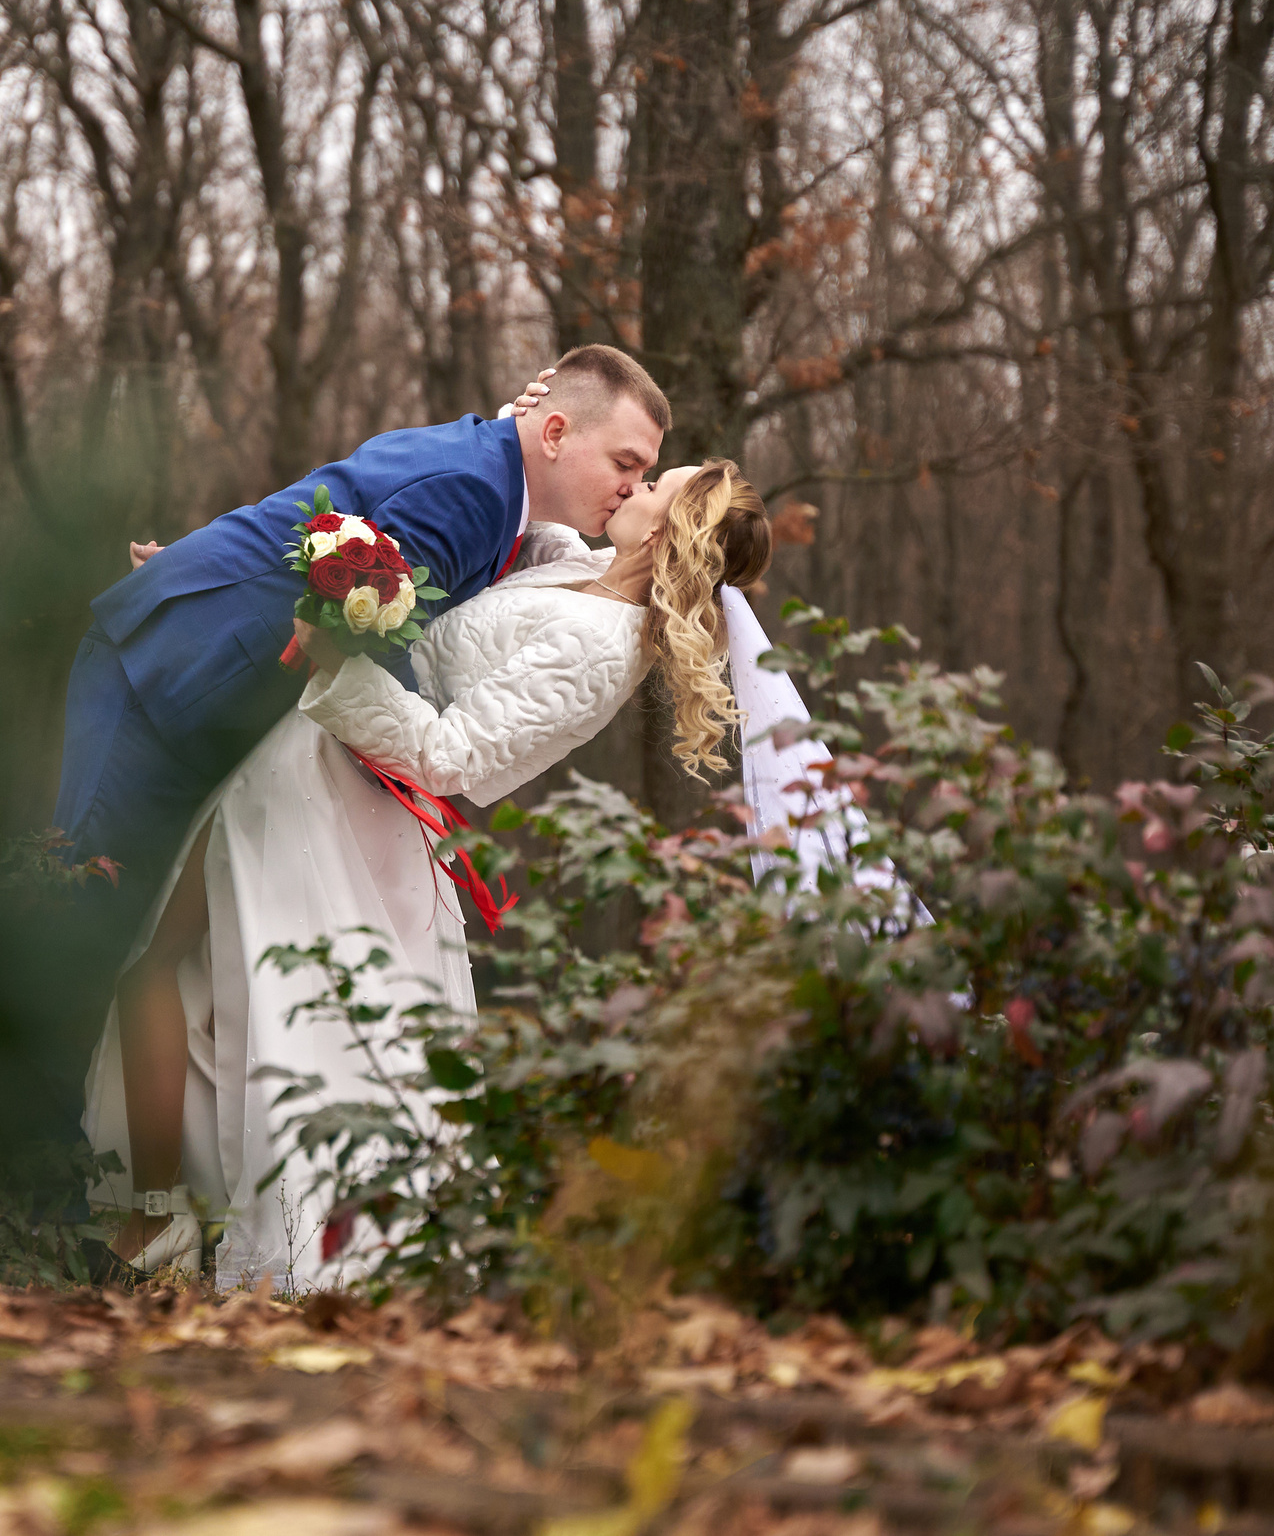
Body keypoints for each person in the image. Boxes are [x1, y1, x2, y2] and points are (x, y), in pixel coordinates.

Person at [85, 463, 776, 1289]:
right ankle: (168, 1221)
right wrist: (215, 590)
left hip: (349, 796)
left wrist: (341, 660)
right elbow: (515, 492)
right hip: (321, 765)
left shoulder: (604, 646)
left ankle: (192, 1235)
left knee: (245, 1003)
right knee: (206, 987)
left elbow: (455, 757)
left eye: (655, 482)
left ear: (668, 530)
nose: (633, 487)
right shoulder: (576, 566)